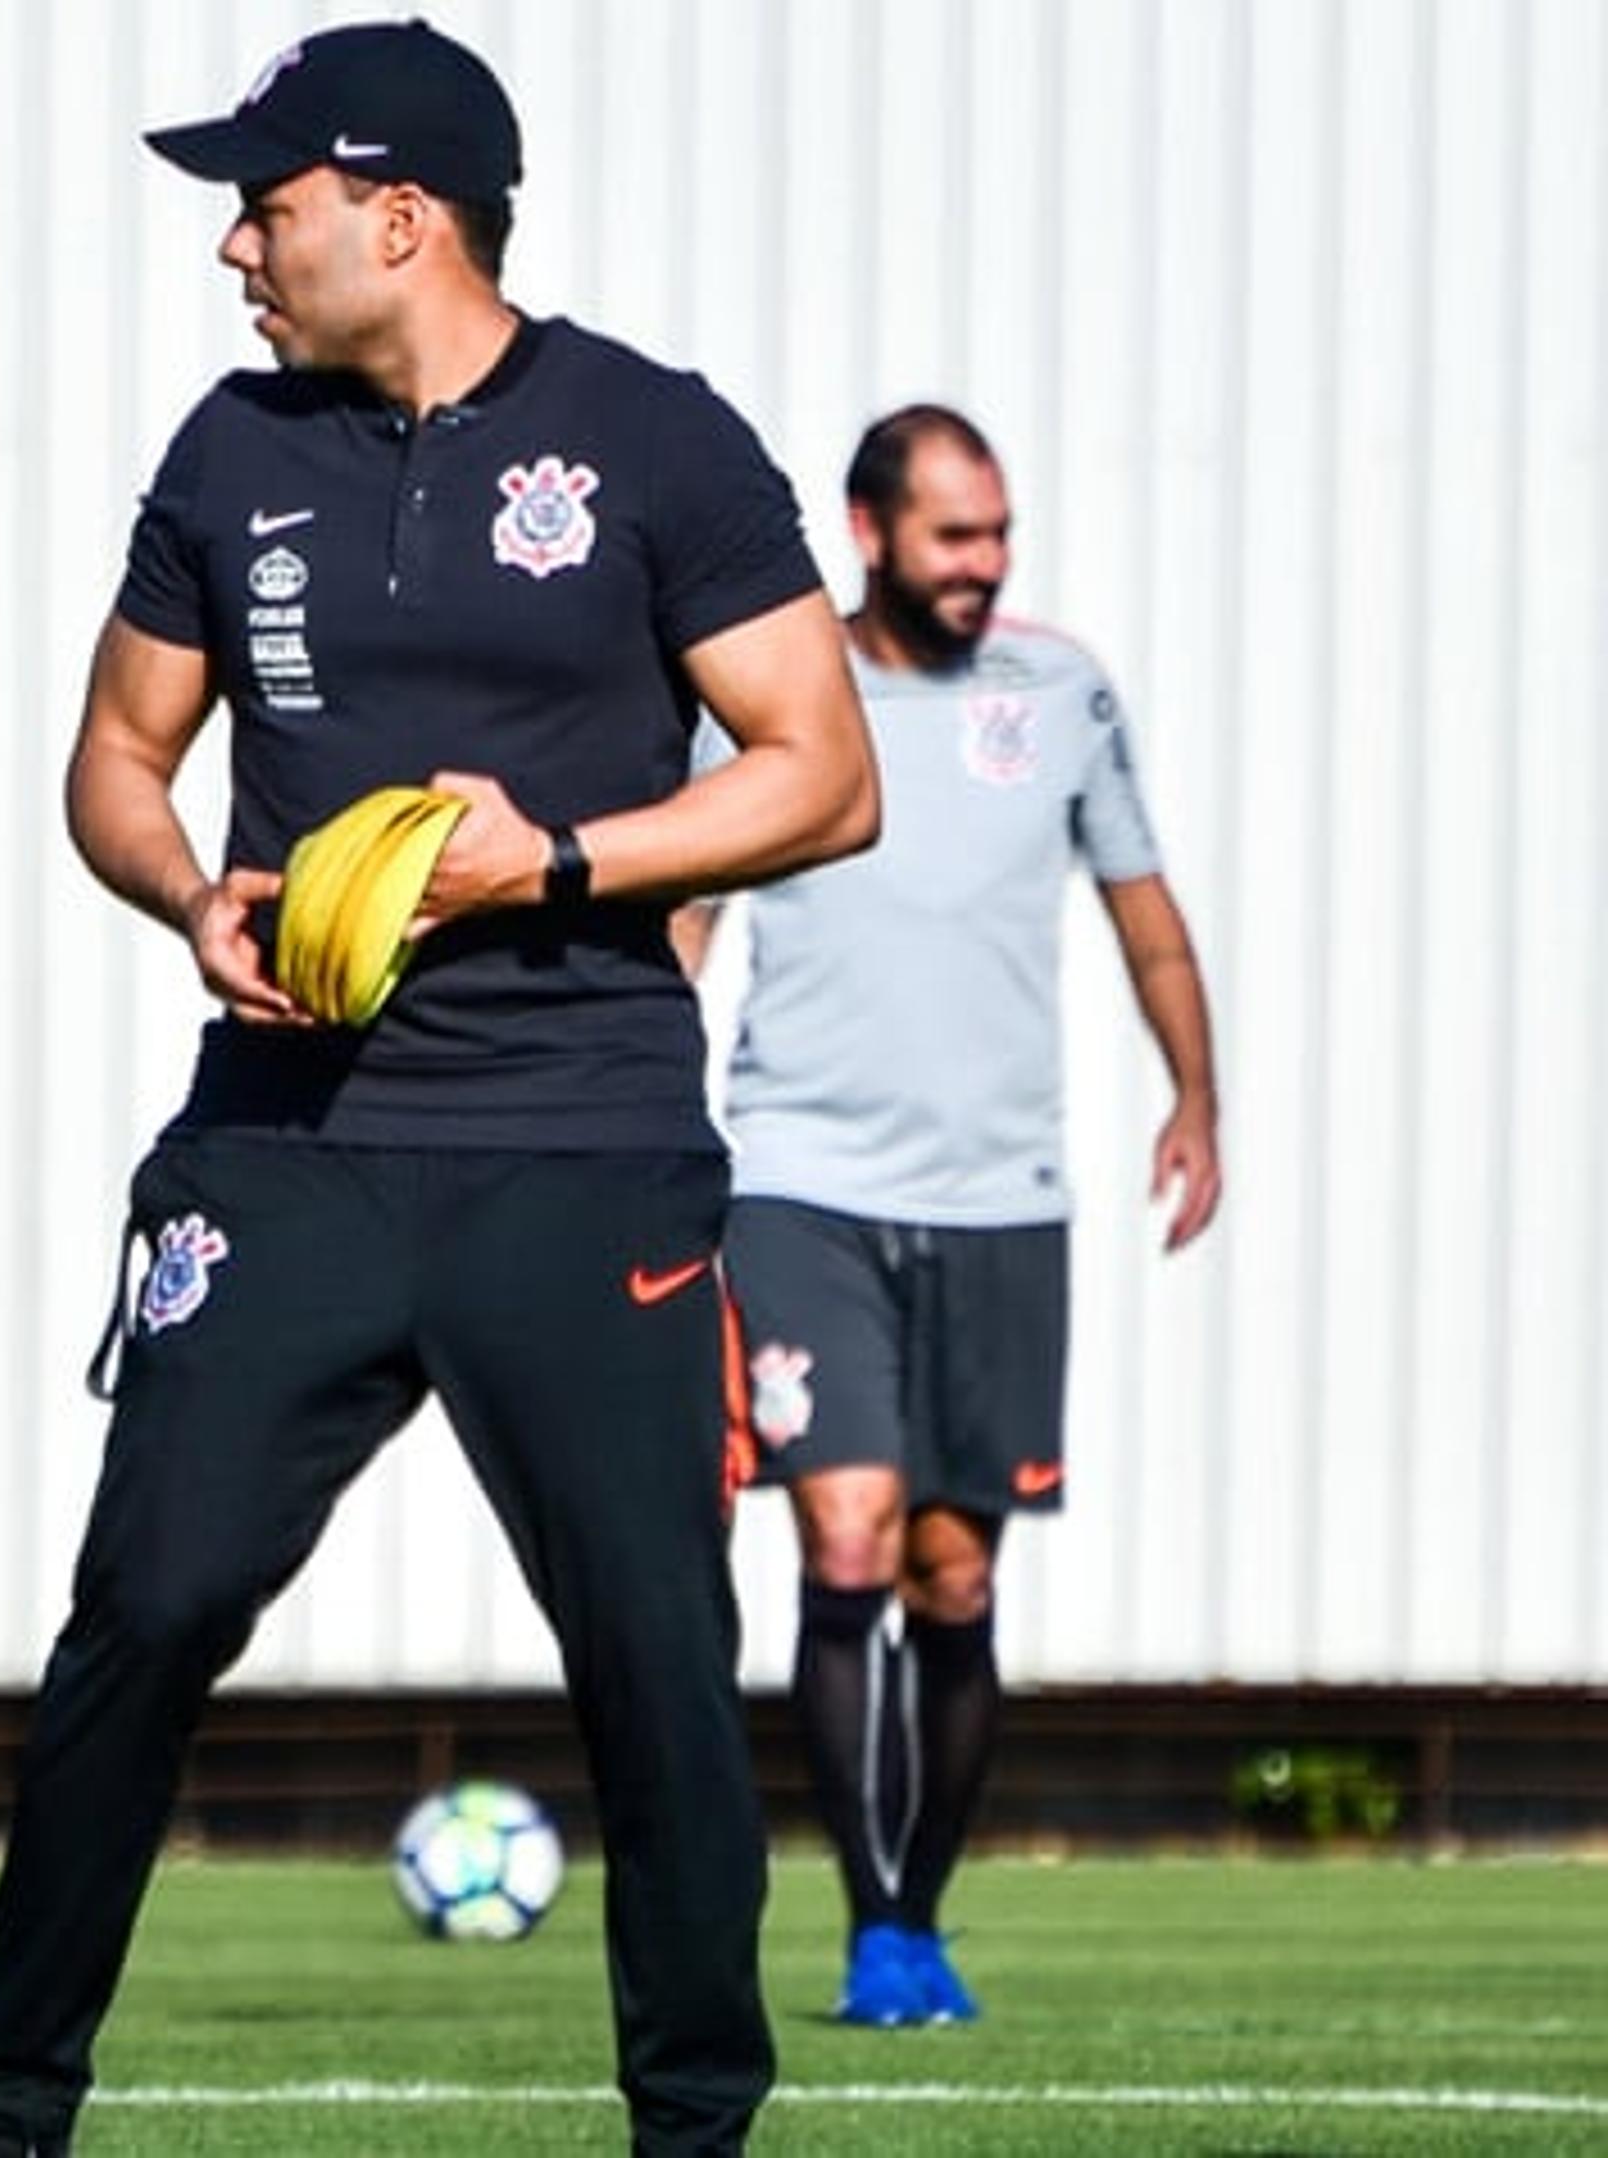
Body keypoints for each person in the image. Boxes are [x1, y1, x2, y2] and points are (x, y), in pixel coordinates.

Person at [0, 24, 882, 2158]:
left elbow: (827, 774)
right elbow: (111, 756)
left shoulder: (652, 441)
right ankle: (7, 2115)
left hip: (582, 1138)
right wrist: (188, 888)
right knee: (145, 1607)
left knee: (651, 1644)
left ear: (400, 214)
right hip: (291, 1143)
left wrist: (540, 858)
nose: (235, 248)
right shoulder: (227, 447)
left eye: (264, 205)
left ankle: (696, 2126)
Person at [693, 404, 1221, 2028]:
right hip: (802, 1185)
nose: (986, 566)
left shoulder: (1059, 694)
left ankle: (921, 1911)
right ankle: (870, 1929)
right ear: (871, 533)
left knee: (956, 1576)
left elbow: (1145, 913)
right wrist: (638, 1143)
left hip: (1005, 1202)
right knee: (845, 1531)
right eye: (953, 536)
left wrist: (1195, 1096)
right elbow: (683, 920)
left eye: (998, 534)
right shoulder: (778, 696)